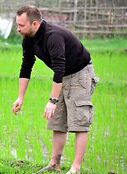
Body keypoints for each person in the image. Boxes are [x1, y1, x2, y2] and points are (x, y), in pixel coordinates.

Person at [12, 6, 98, 174]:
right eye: (17, 24)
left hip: (80, 73)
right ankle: (54, 164)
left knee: (79, 122)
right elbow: (26, 66)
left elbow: (59, 67)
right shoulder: (28, 39)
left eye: (21, 25)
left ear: (34, 23)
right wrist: (20, 97)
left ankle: (75, 168)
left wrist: (52, 100)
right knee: (57, 121)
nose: (18, 29)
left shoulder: (53, 36)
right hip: (63, 76)